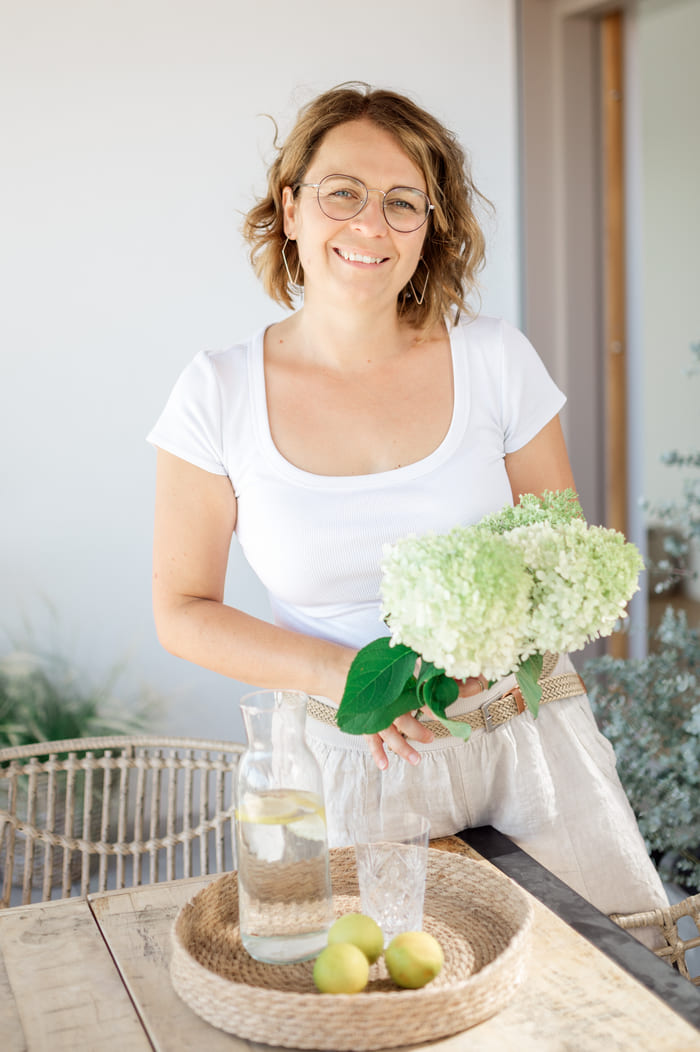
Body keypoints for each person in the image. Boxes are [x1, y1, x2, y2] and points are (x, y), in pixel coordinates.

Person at [148, 83, 667, 942]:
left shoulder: (496, 360)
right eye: (342, 192)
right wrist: (348, 678)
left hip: (526, 744)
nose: (371, 224)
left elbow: (560, 561)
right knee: (375, 988)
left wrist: (484, 660)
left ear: (430, 226)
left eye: (402, 202)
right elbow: (182, 610)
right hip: (344, 762)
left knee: (615, 982)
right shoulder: (218, 391)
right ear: (290, 207)